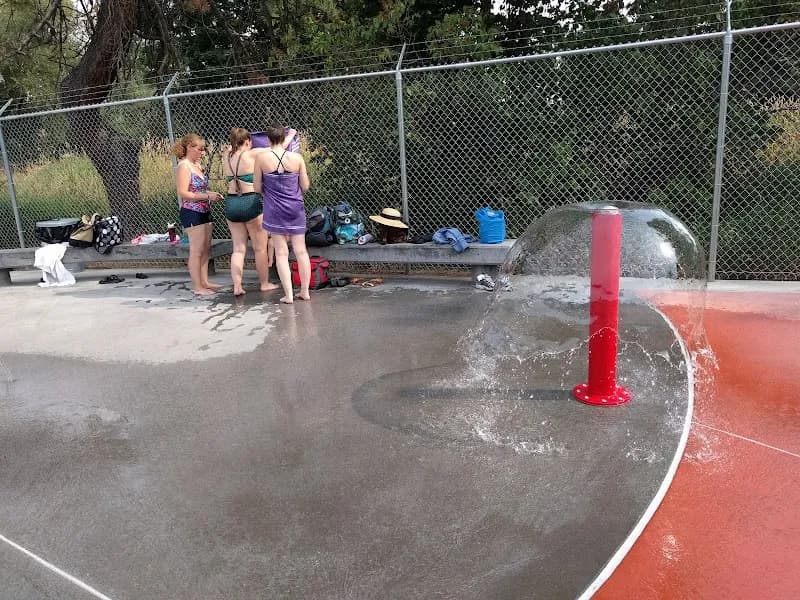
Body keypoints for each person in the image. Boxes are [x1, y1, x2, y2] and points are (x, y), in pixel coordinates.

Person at [253, 124, 311, 304]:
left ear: (268, 139)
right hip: (295, 207)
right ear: (284, 138)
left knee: (281, 253)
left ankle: (289, 295)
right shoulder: (297, 158)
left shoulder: (262, 158)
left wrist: (269, 190)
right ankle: (305, 291)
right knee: (301, 251)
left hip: (274, 209)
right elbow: (305, 186)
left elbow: (256, 187)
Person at [222, 128, 280, 296]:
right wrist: (289, 134)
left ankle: (237, 286)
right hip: (250, 201)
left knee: (238, 249)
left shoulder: (226, 156)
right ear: (247, 141)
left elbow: (232, 147)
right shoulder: (252, 154)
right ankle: (264, 283)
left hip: (231, 202)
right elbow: (274, 148)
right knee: (260, 248)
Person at [172, 133, 224, 296]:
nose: (202, 153)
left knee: (206, 248)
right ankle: (197, 287)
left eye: (204, 150)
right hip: (192, 211)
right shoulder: (184, 166)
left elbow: (199, 190)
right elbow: (183, 193)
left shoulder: (197, 165)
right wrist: (207, 196)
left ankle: (204, 281)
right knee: (196, 250)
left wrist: (212, 194)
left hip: (205, 210)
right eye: (199, 149)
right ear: (189, 147)